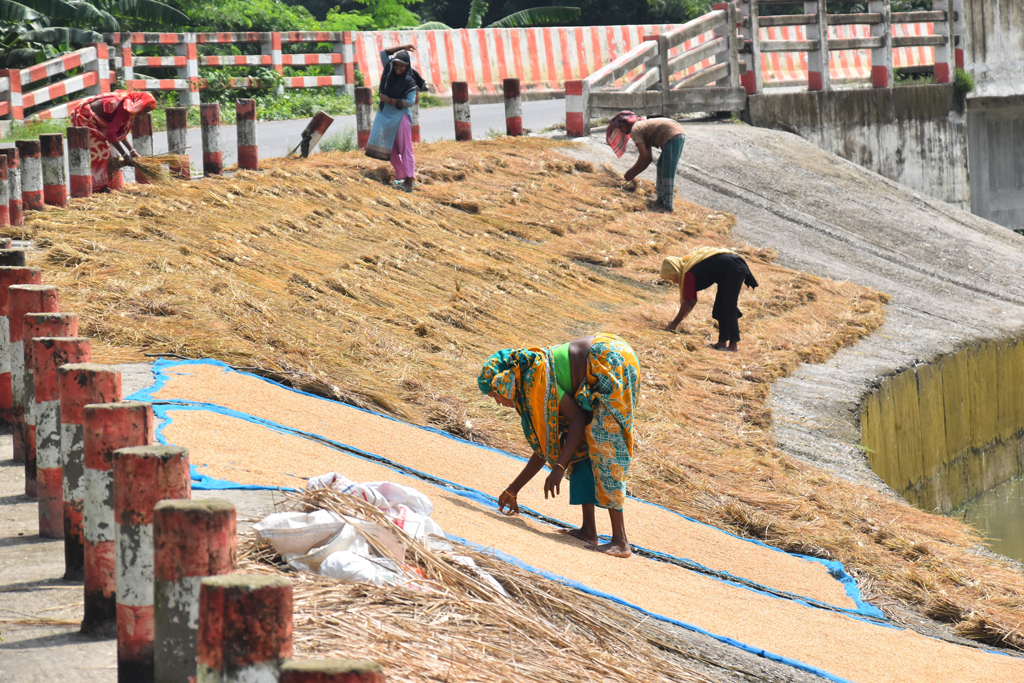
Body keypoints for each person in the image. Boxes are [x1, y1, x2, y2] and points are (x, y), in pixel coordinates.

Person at [477, 333, 641, 558]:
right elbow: (549, 443)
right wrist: (513, 490)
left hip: (610, 361)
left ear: (505, 384)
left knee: (606, 444)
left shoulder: (534, 380)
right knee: (579, 447)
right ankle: (588, 530)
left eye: (494, 395)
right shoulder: (528, 383)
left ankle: (620, 542)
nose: (497, 402)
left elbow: (577, 420)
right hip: (604, 358)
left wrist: (559, 467)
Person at [661, 247, 759, 352]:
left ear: (675, 270)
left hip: (734, 269)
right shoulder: (689, 266)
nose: (674, 281)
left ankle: (733, 346)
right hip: (728, 270)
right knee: (719, 308)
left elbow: (689, 301)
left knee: (728, 307)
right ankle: (722, 342)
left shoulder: (688, 273)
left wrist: (674, 324)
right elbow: (692, 300)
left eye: (672, 277)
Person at [365, 44, 427, 192]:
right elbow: (383, 52)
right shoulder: (389, 70)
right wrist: (403, 47)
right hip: (385, 114)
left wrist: (390, 100)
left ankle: (410, 179)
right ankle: (401, 175)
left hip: (400, 116)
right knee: (387, 147)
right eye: (396, 65)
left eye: (402, 66)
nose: (398, 68)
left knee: (406, 148)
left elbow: (410, 102)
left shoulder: (409, 81)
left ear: (407, 67)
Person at [69, 90, 157, 192]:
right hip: (85, 116)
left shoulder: (129, 108)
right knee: (101, 151)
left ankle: (103, 184)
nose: (143, 114)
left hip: (97, 120)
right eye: (144, 110)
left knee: (108, 151)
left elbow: (119, 133)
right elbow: (111, 134)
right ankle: (97, 188)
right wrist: (125, 155)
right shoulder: (124, 107)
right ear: (139, 104)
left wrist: (132, 151)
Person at [606, 110, 686, 212]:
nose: (620, 130)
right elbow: (648, 158)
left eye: (620, 127)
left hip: (673, 134)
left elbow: (644, 158)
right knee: (661, 165)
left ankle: (668, 207)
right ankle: (661, 200)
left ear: (626, 124)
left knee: (667, 169)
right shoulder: (641, 127)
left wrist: (631, 173)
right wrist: (633, 173)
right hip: (674, 132)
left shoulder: (635, 130)